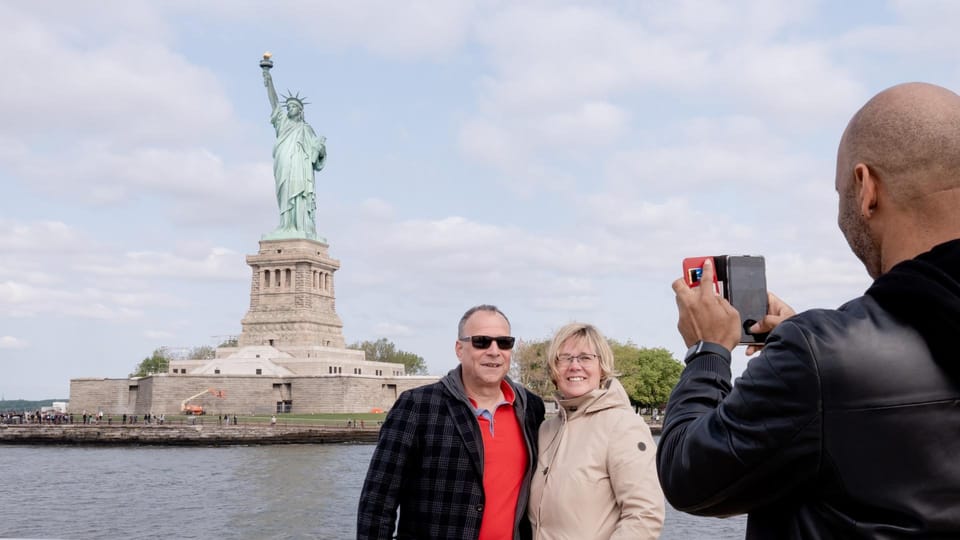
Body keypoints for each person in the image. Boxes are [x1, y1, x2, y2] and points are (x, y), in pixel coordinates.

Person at [658, 82, 960, 538]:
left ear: (865, 187)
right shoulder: (827, 353)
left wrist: (707, 352)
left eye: (839, 192)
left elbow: (689, 476)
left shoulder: (821, 356)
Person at [357, 304, 546, 540]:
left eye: (504, 342)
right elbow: (377, 502)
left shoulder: (531, 408)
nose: (494, 351)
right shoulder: (417, 406)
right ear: (459, 349)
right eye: (481, 341)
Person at [528, 322, 664, 539]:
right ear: (554, 369)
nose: (574, 366)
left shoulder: (622, 426)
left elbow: (644, 516)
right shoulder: (546, 430)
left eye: (585, 357)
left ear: (602, 367)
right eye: (564, 358)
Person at [261, 57, 326, 240]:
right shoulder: (282, 123)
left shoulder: (306, 129)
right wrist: (268, 79)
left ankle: (301, 226)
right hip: (284, 162)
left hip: (300, 165)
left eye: (293, 107)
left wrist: (320, 149)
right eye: (288, 107)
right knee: (285, 192)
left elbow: (317, 158)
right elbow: (274, 102)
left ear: (300, 110)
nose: (289, 109)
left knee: (300, 194)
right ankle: (285, 225)